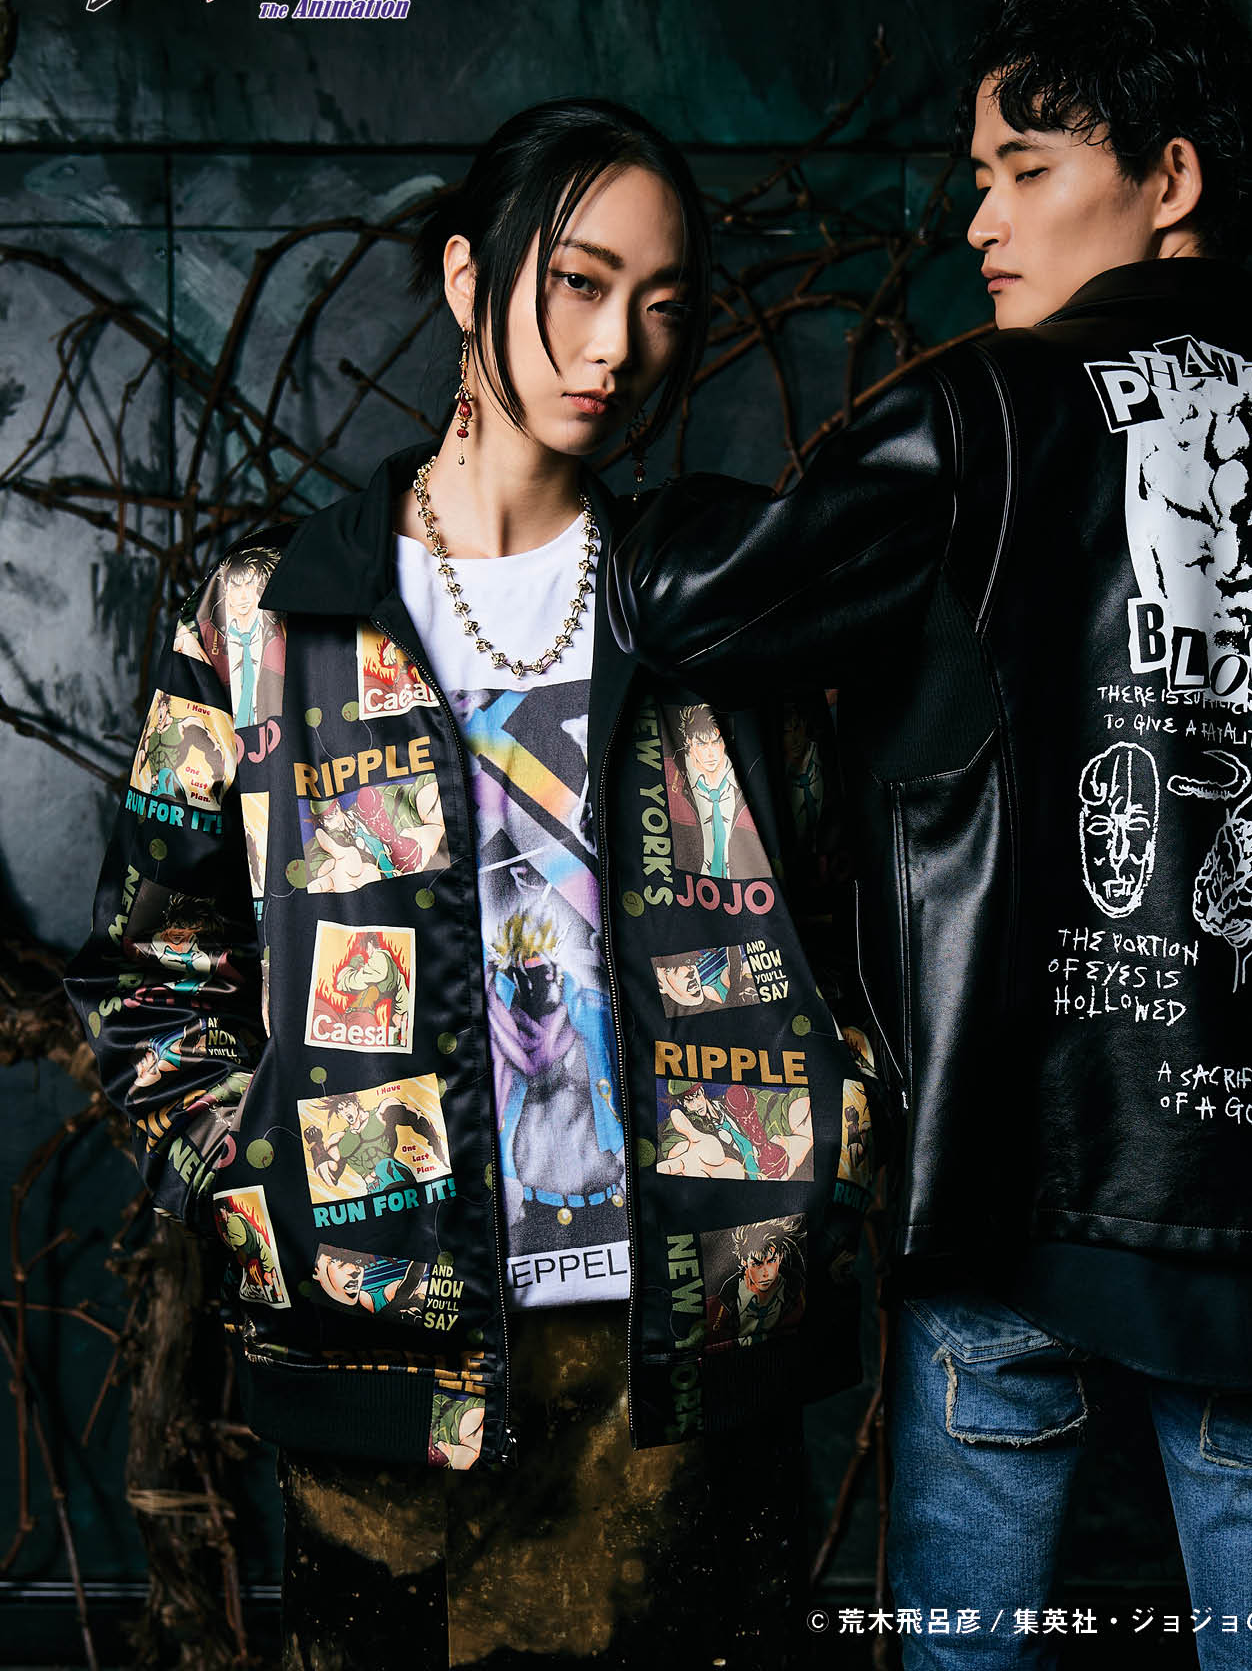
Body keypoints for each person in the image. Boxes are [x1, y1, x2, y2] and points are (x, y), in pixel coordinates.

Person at [609, 0, 1252, 1667]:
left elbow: (700, 606)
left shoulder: (980, 415)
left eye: (1026, 167)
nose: (978, 219)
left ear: (1171, 177)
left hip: (1011, 1193)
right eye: (977, 175)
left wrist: (590, 465)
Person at [67, 98, 885, 1669]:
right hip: (391, 1368)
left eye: (663, 303)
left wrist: (823, 1160)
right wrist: (264, 1190)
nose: (619, 347)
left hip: (685, 1355)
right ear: (466, 277)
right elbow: (148, 969)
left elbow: (846, 928)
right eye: (579, 283)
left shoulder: (712, 613)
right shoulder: (272, 618)